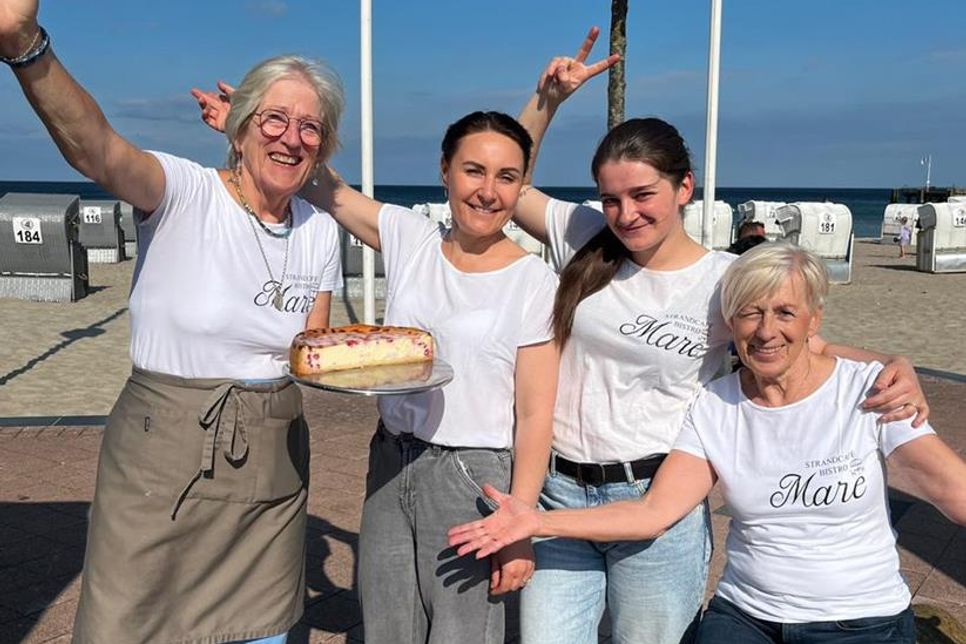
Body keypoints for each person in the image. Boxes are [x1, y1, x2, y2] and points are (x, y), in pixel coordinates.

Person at [498, 28, 931, 644]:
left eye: (643, 195)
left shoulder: (724, 280)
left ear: (684, 188)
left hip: (659, 502)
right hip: (560, 489)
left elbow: (803, 346)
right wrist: (548, 100)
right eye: (612, 198)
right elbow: (508, 188)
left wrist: (895, 363)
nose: (627, 214)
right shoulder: (587, 236)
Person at [1, 3, 344, 643]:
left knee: (264, 633)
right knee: (130, 626)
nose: (292, 138)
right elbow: (97, 150)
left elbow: (313, 355)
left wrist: (384, 374)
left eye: (311, 128)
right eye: (274, 118)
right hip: (161, 461)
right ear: (238, 129)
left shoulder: (320, 231)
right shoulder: (184, 192)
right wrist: (26, 46)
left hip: (271, 473)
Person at [449, 242, 966, 644]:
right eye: (749, 313)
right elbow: (653, 512)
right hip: (747, 617)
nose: (766, 331)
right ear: (729, 323)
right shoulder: (714, 404)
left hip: (861, 620)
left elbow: (951, 489)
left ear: (814, 320)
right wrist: (535, 521)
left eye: (785, 313)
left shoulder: (869, 391)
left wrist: (891, 360)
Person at [193, 89, 560, 642]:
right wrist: (245, 128)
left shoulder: (534, 282)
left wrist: (519, 524)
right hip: (390, 458)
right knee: (387, 627)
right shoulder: (413, 238)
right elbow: (326, 189)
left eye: (506, 177)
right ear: (444, 172)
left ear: (521, 185)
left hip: (474, 478)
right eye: (473, 171)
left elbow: (536, 414)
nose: (488, 191)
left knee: (463, 633)